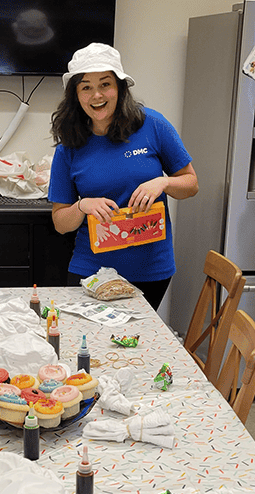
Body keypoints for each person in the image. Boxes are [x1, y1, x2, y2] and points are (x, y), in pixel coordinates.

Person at [48, 43, 198, 310]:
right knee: (89, 346)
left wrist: (163, 181)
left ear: (119, 88)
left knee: (135, 344)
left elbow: (191, 184)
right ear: (76, 95)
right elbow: (60, 223)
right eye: (86, 87)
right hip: (91, 270)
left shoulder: (152, 124)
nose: (97, 95)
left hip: (151, 269)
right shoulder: (69, 145)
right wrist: (83, 205)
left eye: (105, 84)